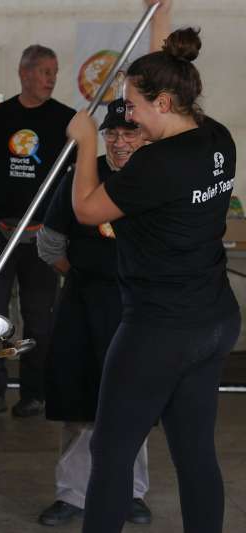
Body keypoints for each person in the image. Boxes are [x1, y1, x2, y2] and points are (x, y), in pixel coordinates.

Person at [68, 15, 239, 533]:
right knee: (193, 452)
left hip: (160, 327)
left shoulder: (153, 165)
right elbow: (161, 79)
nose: (131, 118)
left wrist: (82, 144)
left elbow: (88, 211)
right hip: (214, 320)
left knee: (112, 449)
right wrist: (158, 17)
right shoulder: (218, 138)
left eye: (136, 107)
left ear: (164, 104)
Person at [35, 99, 151, 526]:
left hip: (138, 308)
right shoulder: (84, 175)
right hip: (83, 304)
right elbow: (49, 243)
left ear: (146, 134)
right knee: (81, 400)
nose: (120, 142)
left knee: (134, 403)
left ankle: (133, 493)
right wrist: (86, 274)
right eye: (112, 134)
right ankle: (72, 494)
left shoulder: (158, 178)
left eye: (130, 133)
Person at [0, 45, 75, 417]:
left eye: (55, 72)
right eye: (44, 72)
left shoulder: (66, 121)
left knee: (40, 315)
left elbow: (77, 181)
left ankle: (36, 393)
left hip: (44, 235)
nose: (51, 79)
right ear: (24, 74)